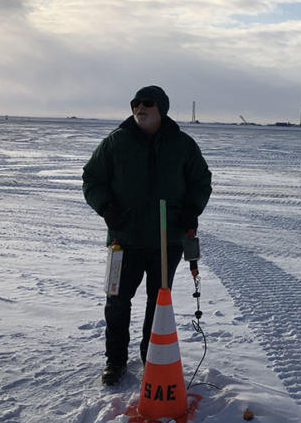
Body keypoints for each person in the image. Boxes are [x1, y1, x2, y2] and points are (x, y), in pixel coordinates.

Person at [83, 86, 212, 385]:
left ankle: (150, 357)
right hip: (123, 240)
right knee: (117, 301)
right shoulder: (116, 142)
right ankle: (115, 361)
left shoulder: (182, 145)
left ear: (161, 109)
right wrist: (106, 207)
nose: (140, 108)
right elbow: (92, 178)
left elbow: (201, 181)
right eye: (135, 103)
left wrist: (192, 208)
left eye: (147, 103)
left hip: (167, 242)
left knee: (159, 302)